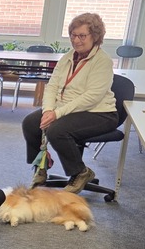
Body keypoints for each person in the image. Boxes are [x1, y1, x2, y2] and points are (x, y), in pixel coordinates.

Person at [22, 12, 117, 193]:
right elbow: (52, 86)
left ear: (95, 36)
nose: (76, 40)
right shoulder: (68, 57)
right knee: (30, 123)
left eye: (82, 36)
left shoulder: (102, 61)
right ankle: (40, 169)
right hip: (67, 108)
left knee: (57, 129)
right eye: (73, 35)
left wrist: (56, 114)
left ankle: (80, 172)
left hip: (100, 113)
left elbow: (91, 97)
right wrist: (48, 109)